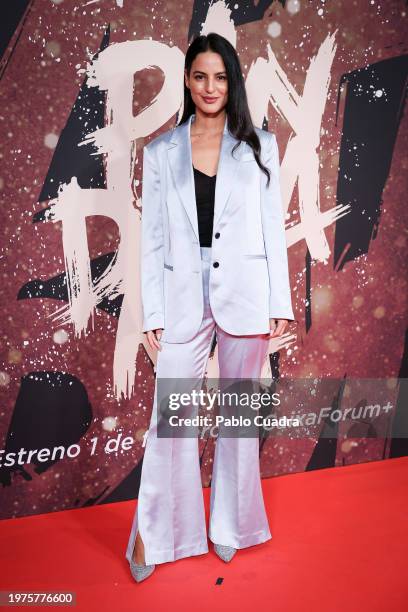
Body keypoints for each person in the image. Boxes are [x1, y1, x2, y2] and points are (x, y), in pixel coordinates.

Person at [126, 32, 295, 583]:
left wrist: (279, 301)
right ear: (188, 81)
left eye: (220, 77)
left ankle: (230, 526)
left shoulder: (261, 146)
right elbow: (151, 239)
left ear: (233, 82)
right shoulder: (160, 151)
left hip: (245, 292)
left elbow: (272, 228)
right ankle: (157, 535)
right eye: (200, 76)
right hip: (180, 294)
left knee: (238, 417)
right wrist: (153, 313)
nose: (210, 87)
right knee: (172, 419)